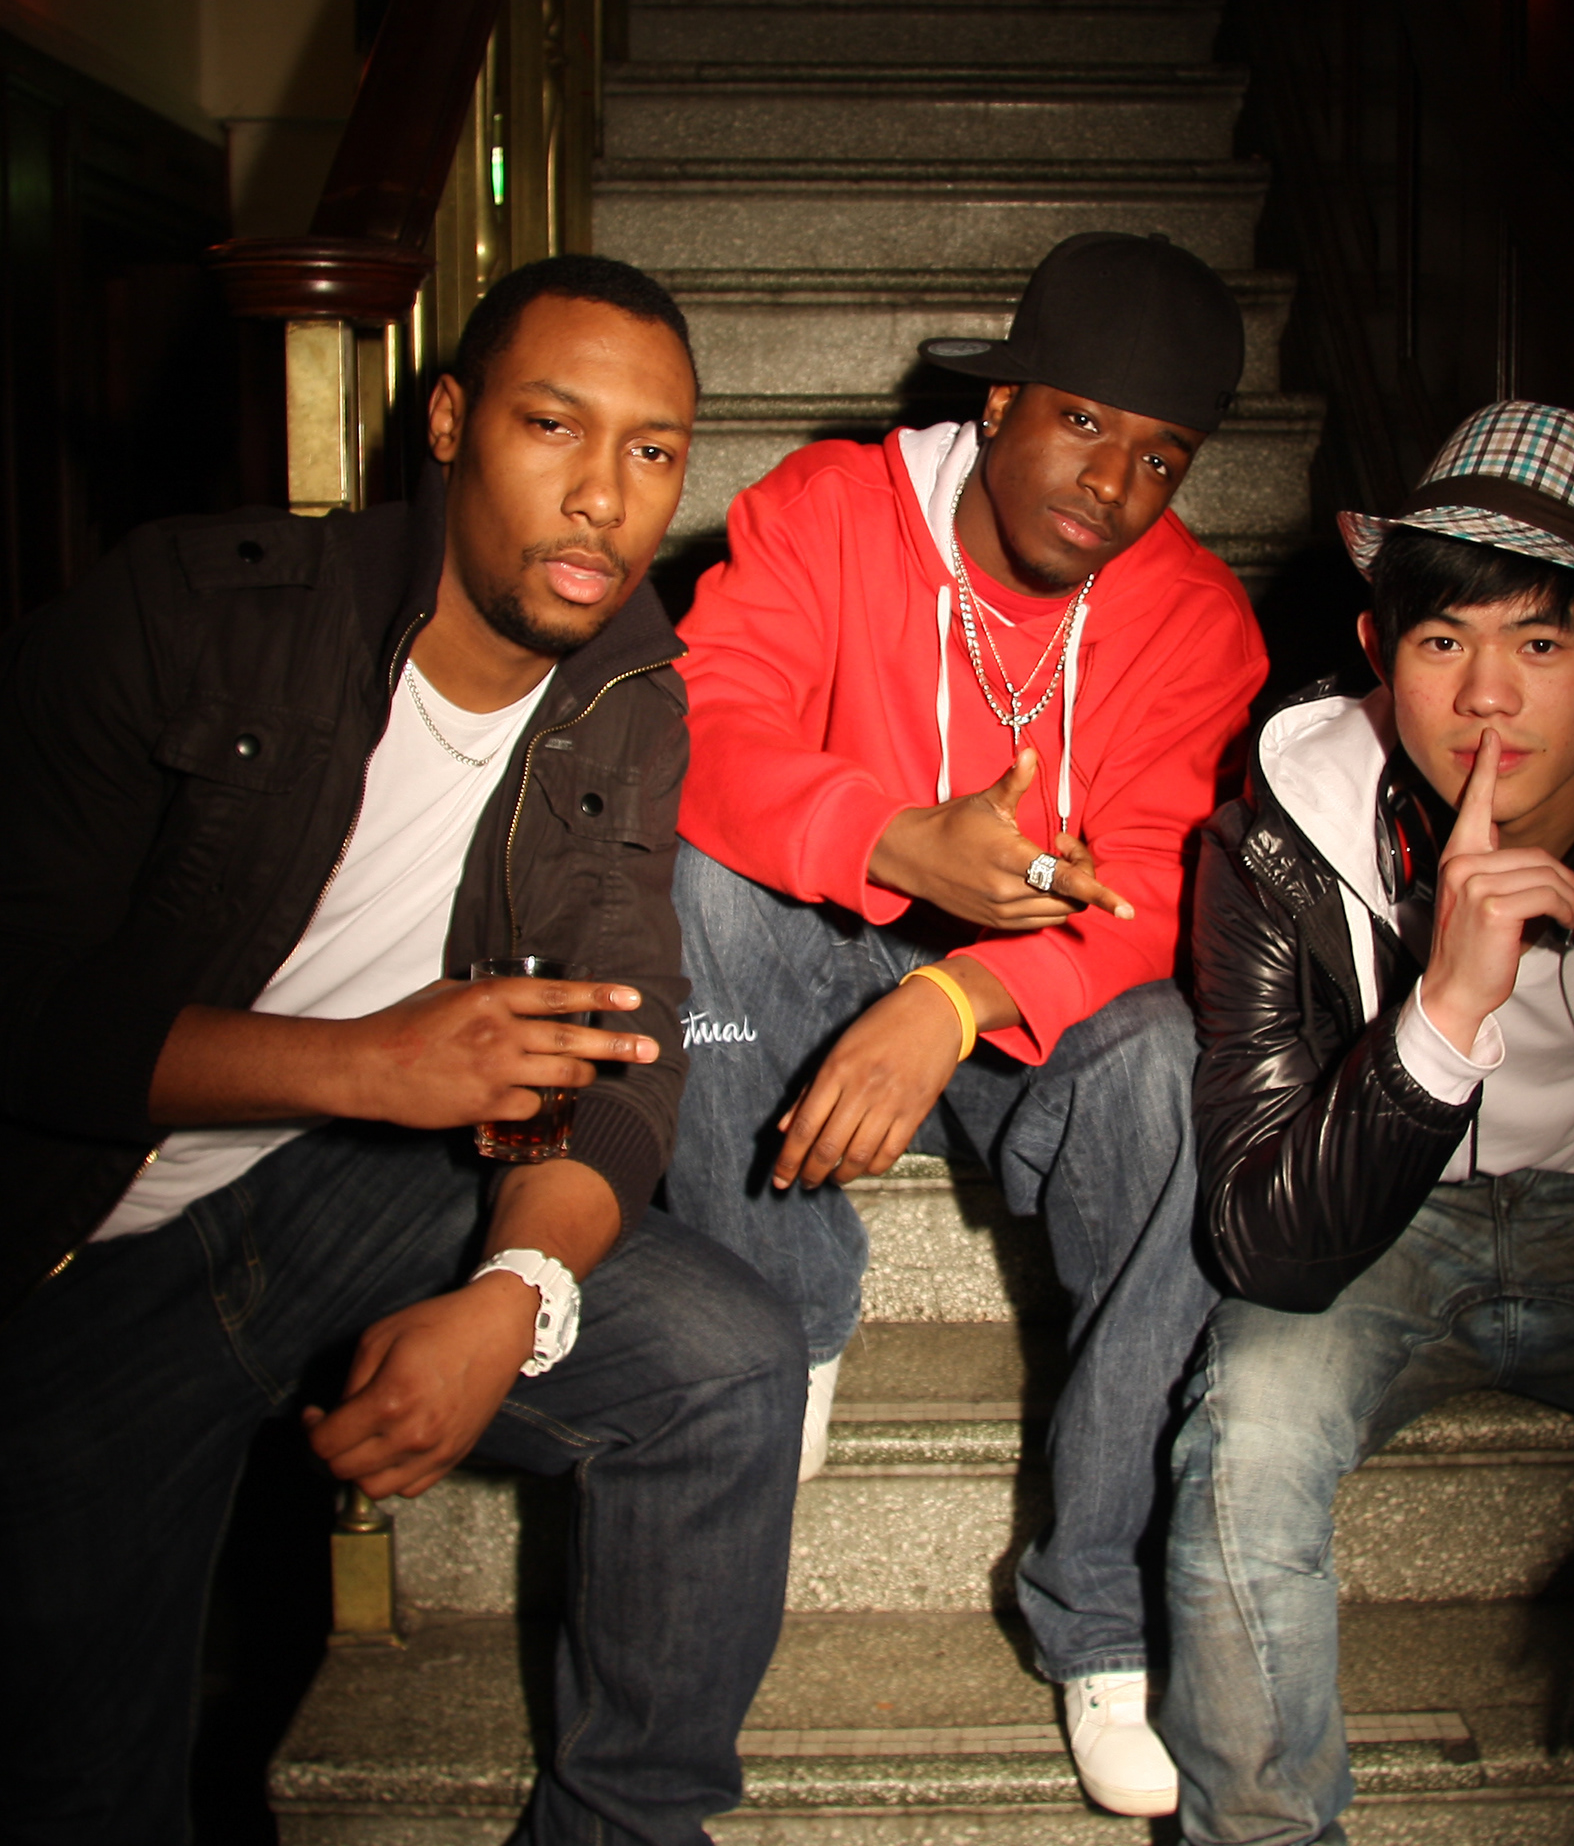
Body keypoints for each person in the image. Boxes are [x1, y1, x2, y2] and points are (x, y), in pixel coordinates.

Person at [0, 255, 806, 1846]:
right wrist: (365, 1066)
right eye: (552, 425)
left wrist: (517, 1292)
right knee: (88, 1789)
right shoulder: (195, 614)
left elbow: (629, 1050)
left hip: (342, 1198)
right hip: (79, 1258)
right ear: (447, 423)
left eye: (653, 450)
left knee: (728, 1359)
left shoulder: (628, 690)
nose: (604, 498)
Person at [664, 231, 1268, 1817]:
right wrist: (888, 840)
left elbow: (1163, 882)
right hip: (808, 979)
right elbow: (706, 725)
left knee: (1174, 1066)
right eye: (1083, 423)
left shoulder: (1197, 618)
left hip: (1022, 1035)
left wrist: (955, 992)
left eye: (1162, 456)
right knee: (698, 885)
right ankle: (781, 1319)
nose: (1113, 485)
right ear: (999, 404)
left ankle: (1099, 1606)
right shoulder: (825, 511)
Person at [1160, 402, 1574, 1843]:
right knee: (1245, 1432)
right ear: (1378, 651)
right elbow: (1265, 1244)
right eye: (1441, 642)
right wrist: (1444, 1014)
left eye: (1539, 645)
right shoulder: (1282, 830)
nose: (1485, 701)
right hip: (1387, 1229)